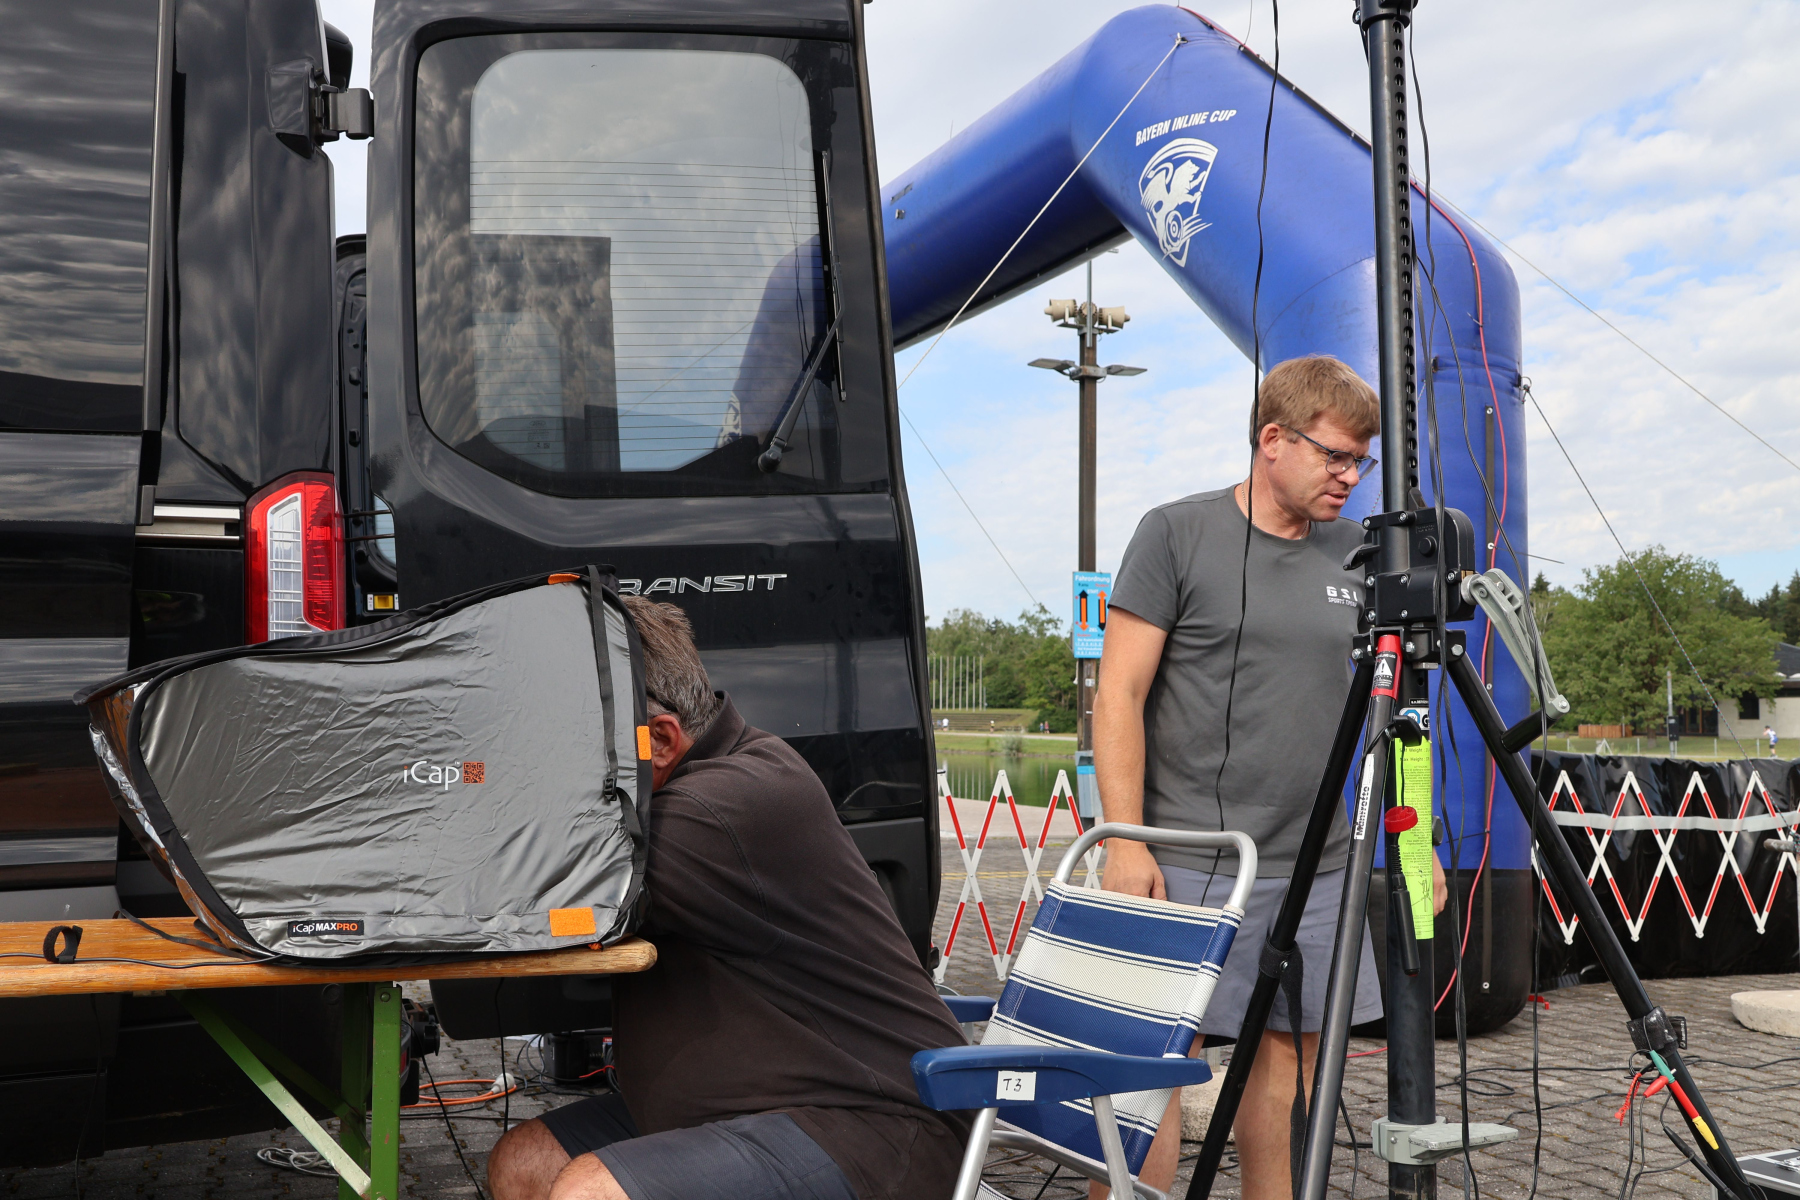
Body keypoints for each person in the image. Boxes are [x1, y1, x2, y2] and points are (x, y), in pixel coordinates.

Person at [1092, 355, 1448, 1200]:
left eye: (1360, 460)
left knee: (1290, 1065)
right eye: (1335, 456)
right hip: (1182, 858)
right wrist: (1125, 842)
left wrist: (1417, 840)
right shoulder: (1175, 534)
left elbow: (1398, 717)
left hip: (1317, 868)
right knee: (1151, 1069)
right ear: (1273, 439)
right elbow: (1119, 694)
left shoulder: (1362, 556)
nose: (1350, 477)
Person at [488, 597, 968, 1200]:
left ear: (659, 741)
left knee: (591, 1194)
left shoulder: (719, 807)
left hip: (872, 1126)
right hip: (739, 1110)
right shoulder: (707, 777)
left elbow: (516, 881)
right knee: (523, 1163)